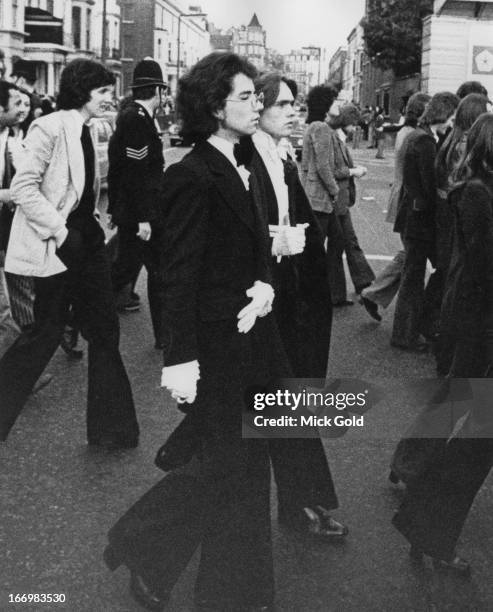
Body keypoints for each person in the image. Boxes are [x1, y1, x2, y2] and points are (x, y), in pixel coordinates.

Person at [104, 52, 285, 611]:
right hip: (216, 346)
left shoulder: (245, 158)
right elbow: (177, 271)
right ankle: (153, 553)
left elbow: (245, 243)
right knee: (225, 466)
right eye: (246, 97)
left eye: (257, 96)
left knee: (242, 465)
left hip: (251, 335)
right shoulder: (192, 173)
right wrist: (180, 359)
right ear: (213, 107)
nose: (258, 105)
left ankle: (236, 587)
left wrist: (265, 277)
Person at [0, 59, 139, 448]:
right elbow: (25, 189)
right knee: (46, 332)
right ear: (82, 92)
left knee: (105, 332)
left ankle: (113, 432)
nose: (110, 99)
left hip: (86, 245)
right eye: (103, 92)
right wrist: (62, 233)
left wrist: (92, 225)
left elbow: (79, 191)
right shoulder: (50, 126)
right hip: (61, 247)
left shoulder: (86, 128)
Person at [393, 112, 493, 576]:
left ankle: (423, 516)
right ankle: (424, 518)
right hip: (480, 324)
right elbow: (483, 267)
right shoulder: (475, 193)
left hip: (478, 322)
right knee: (470, 432)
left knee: (467, 425)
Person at [251, 73, 346, 537]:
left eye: (295, 103)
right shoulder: (247, 158)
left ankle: (302, 503)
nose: (293, 111)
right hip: (259, 309)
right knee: (232, 440)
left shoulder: (280, 155)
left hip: (290, 303)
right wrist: (274, 242)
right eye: (283, 104)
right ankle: (148, 545)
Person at [391, 91, 459, 351]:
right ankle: (407, 334)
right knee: (414, 278)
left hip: (414, 220)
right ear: (442, 113)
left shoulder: (421, 136)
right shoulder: (425, 142)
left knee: (419, 274)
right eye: (451, 117)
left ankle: (416, 328)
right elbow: (431, 185)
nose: (452, 122)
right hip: (419, 222)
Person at [108, 59, 166, 347]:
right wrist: (143, 217)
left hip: (133, 210)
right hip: (140, 213)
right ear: (157, 90)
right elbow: (137, 171)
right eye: (163, 91)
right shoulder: (136, 119)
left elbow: (119, 168)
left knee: (130, 265)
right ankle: (73, 313)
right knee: (134, 267)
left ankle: (164, 336)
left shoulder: (135, 116)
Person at [360, 93, 431, 321]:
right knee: (411, 255)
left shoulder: (404, 132)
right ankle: (373, 294)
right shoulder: (415, 136)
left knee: (408, 253)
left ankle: (372, 294)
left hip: (400, 193)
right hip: (407, 197)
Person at [327, 104, 374, 305]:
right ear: (345, 122)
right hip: (337, 202)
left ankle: (337, 294)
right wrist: (354, 171)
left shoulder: (340, 140)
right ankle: (366, 286)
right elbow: (333, 171)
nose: (356, 128)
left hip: (341, 202)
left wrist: (354, 168)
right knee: (349, 243)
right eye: (354, 124)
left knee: (338, 248)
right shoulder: (333, 140)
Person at [0, 81, 23, 359]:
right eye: (16, 103)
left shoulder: (9, 139)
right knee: (4, 315)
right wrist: (6, 194)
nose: (22, 109)